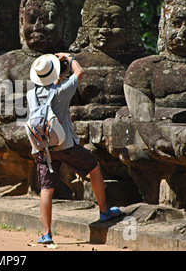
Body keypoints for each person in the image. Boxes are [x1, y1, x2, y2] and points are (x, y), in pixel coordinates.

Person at [27, 53, 121, 245]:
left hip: (43, 148)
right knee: (94, 168)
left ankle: (47, 234)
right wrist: (69, 58)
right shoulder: (62, 90)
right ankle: (104, 212)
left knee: (46, 189)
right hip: (66, 145)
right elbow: (80, 71)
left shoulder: (31, 95)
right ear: (54, 73)